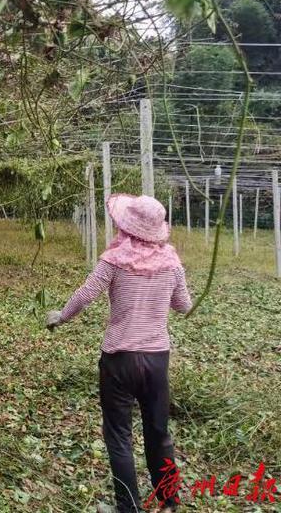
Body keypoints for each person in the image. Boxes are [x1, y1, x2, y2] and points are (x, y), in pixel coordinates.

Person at [46, 194, 192, 513]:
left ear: (126, 226)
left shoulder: (114, 259)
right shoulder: (171, 262)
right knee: (158, 431)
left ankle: (129, 507)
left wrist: (61, 316)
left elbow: (86, 294)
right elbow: (183, 306)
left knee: (119, 435)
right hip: (156, 360)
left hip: (119, 359)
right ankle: (169, 501)